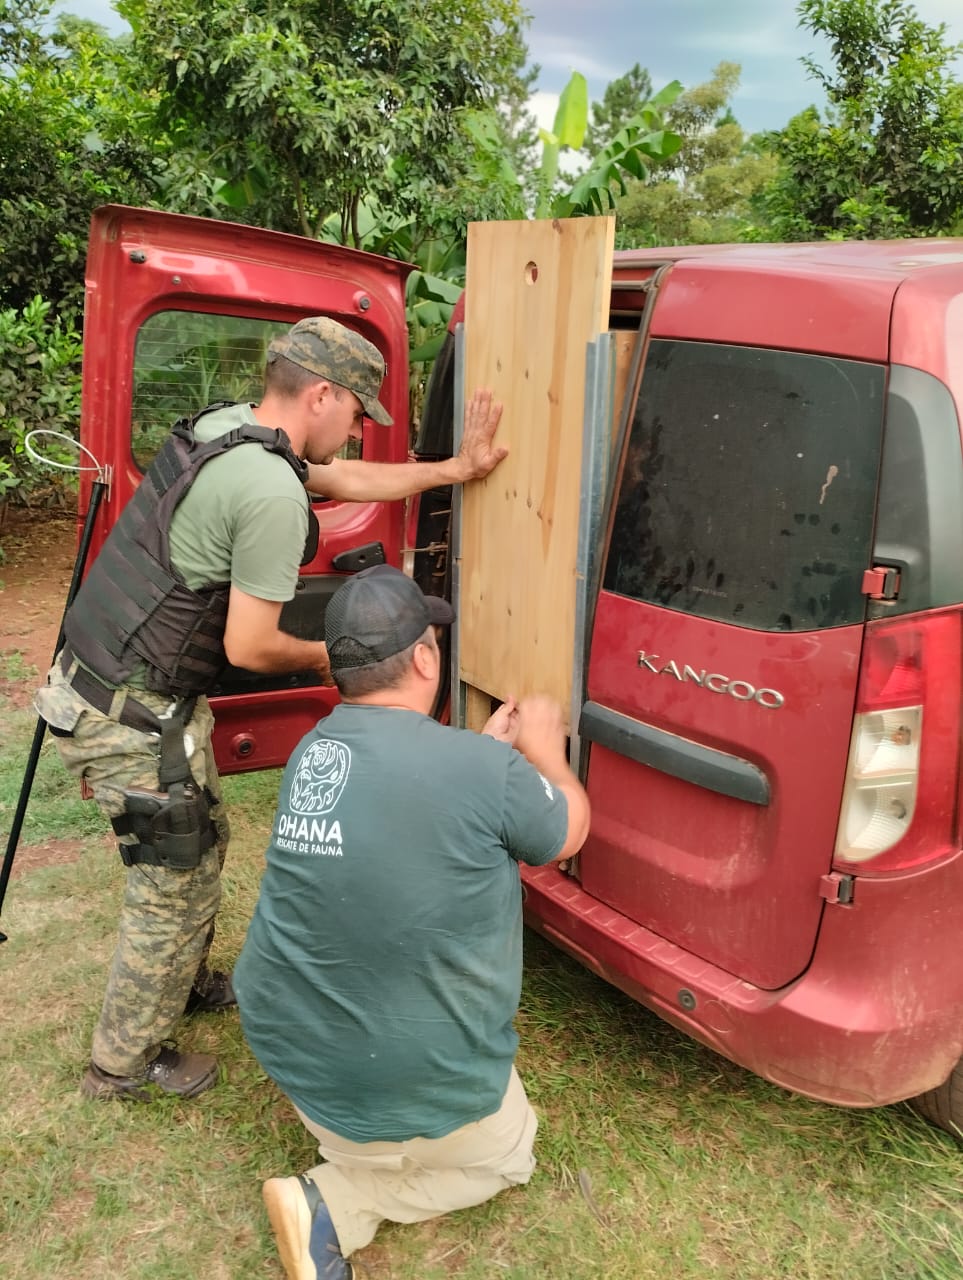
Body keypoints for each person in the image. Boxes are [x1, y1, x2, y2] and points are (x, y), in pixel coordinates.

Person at [33, 316, 507, 1102]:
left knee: (202, 839)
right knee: (172, 878)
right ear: (320, 394)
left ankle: (178, 981)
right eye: (357, 412)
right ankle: (121, 1066)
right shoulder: (268, 493)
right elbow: (253, 647)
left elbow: (341, 480)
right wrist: (339, 654)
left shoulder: (232, 430)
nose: (358, 431)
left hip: (108, 676)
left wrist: (454, 469)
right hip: (132, 711)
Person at [233, 564, 591, 1280]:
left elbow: (418, 793)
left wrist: (486, 757)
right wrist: (545, 755)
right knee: (506, 1155)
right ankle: (336, 1201)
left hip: (291, 1047)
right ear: (426, 658)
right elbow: (565, 835)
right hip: (387, 1076)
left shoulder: (316, 749)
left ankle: (358, 1153)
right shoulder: (476, 770)